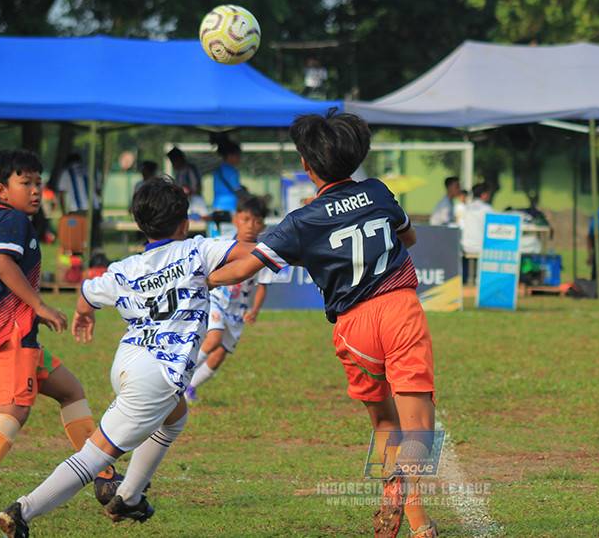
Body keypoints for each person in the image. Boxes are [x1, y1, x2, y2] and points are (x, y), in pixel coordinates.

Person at [205, 109, 439, 538]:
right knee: (418, 422)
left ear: (306, 166)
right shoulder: (378, 191)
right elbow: (410, 237)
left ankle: (405, 502)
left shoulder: (301, 222)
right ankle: (420, 521)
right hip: (399, 307)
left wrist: (200, 279)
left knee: (384, 421)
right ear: (356, 153)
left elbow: (241, 271)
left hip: (353, 325)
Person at [0, 175, 242, 537]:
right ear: (186, 224)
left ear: (141, 226)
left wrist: (84, 313)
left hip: (128, 362)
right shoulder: (196, 251)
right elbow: (245, 255)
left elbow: (86, 294)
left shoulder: (124, 269)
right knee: (96, 456)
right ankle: (22, 511)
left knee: (175, 417)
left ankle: (129, 496)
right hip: (155, 375)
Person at [0, 150, 118, 523]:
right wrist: (39, 305)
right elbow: (2, 262)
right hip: (8, 334)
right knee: (15, 408)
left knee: (70, 390)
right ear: (2, 190)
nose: (37, 190)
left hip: (21, 337)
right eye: (26, 183)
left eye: (39, 182)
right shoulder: (14, 221)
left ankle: (104, 476)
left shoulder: (8, 222)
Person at [185, 197, 271, 402]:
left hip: (237, 310)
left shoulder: (265, 253)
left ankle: (189, 388)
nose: (251, 226)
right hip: (216, 299)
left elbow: (263, 286)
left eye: (256, 221)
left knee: (220, 354)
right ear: (235, 221)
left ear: (263, 226)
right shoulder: (222, 243)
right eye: (246, 219)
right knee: (213, 339)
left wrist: (255, 310)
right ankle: (177, 376)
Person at [57, 152, 102, 250]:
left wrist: (64, 213)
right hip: (94, 209)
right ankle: (96, 257)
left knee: (77, 239)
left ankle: (79, 259)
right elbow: (99, 191)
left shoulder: (67, 172)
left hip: (78, 211)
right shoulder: (92, 170)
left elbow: (61, 195)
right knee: (94, 238)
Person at [460, 183, 496, 284]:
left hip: (466, 245)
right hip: (482, 246)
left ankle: (472, 278)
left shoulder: (467, 208)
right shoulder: (487, 209)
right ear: (484, 195)